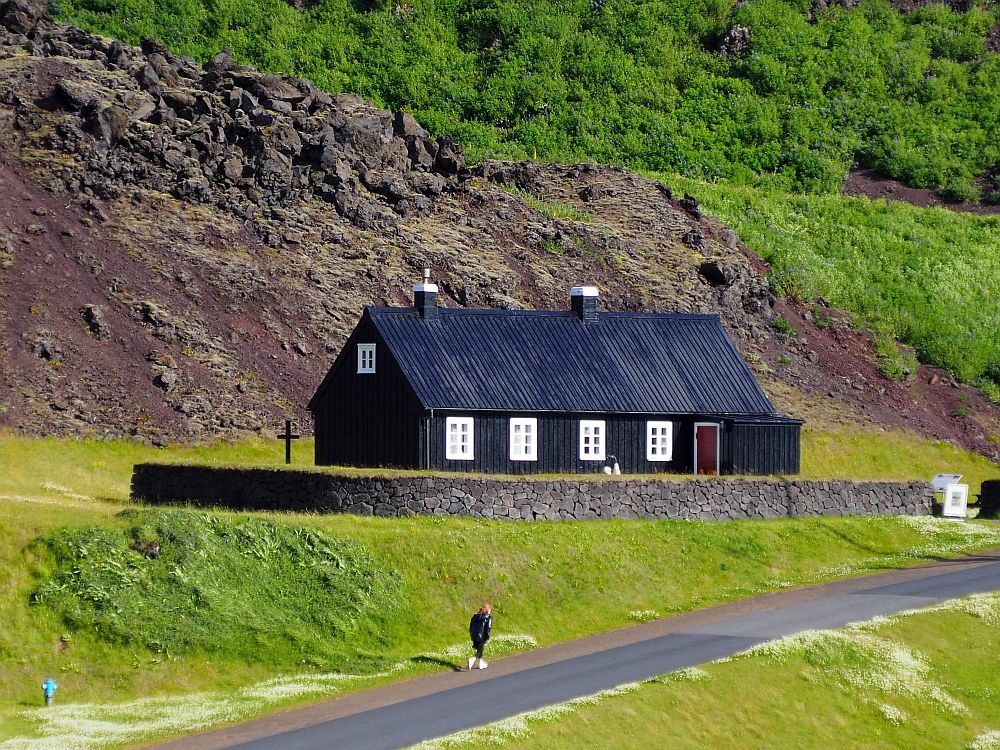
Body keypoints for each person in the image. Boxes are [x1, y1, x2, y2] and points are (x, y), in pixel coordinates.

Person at [467, 603, 492, 670]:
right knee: (479, 651)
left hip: (474, 635)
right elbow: (488, 628)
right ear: (487, 610)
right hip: (482, 636)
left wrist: (471, 634)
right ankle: (472, 659)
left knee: (480, 649)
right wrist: (487, 637)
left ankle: (481, 663)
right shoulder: (488, 617)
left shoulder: (475, 616)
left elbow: (471, 626)